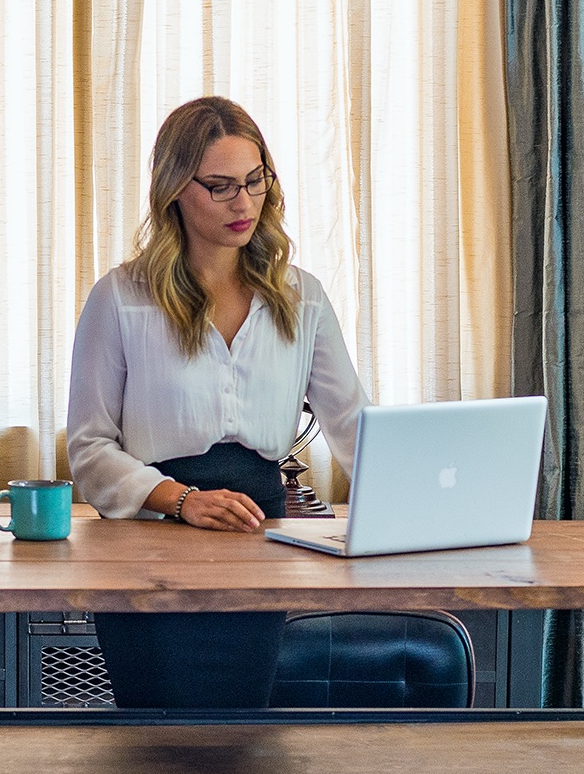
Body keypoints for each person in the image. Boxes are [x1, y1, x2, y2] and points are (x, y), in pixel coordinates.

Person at [67, 96, 367, 708]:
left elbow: (356, 427)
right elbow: (90, 450)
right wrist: (183, 501)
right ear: (175, 189)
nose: (244, 203)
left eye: (256, 182)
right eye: (221, 186)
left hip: (258, 539)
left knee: (243, 738)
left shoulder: (300, 297)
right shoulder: (121, 298)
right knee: (156, 745)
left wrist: (424, 510)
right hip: (147, 544)